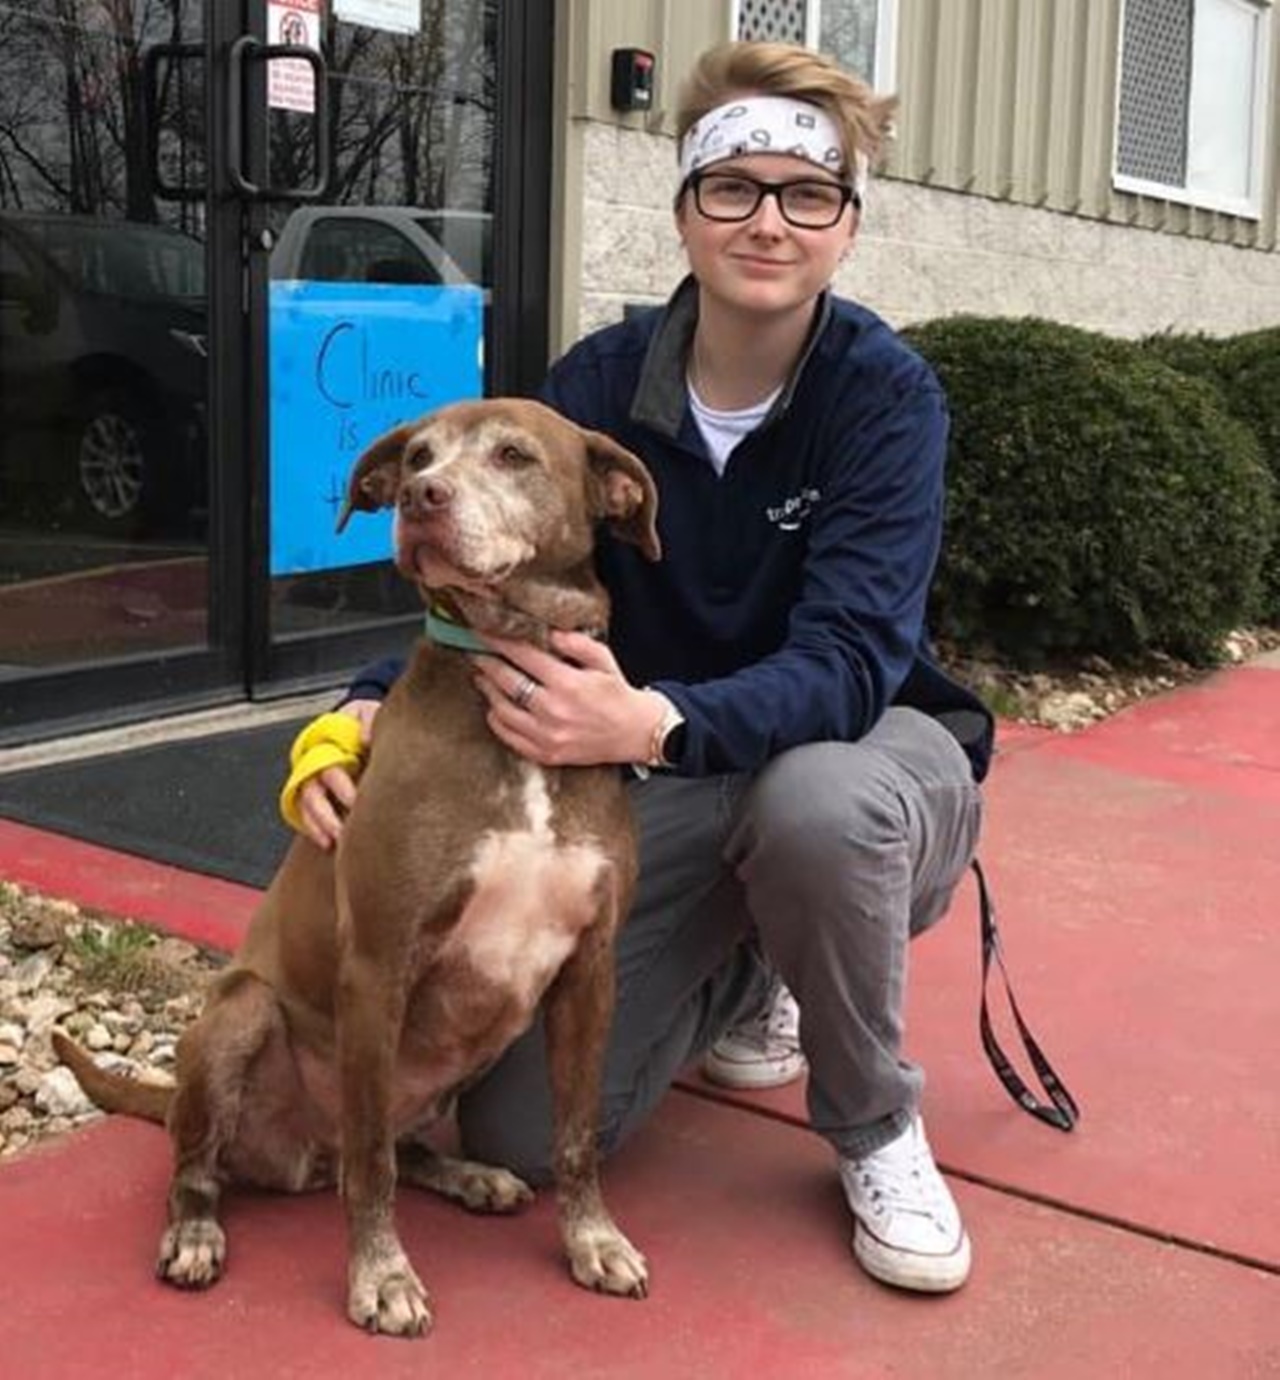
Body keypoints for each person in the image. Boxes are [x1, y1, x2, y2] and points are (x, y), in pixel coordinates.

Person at [290, 39, 994, 1295]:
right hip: (654, 763)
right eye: (732, 187)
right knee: (505, 1132)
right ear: (683, 211)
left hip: (854, 749)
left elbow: (845, 661)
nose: (766, 220)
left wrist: (651, 723)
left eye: (806, 194)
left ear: (844, 227)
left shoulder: (884, 396)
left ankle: (875, 1122)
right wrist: (355, 712)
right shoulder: (600, 386)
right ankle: (750, 967)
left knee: (814, 813)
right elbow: (495, 570)